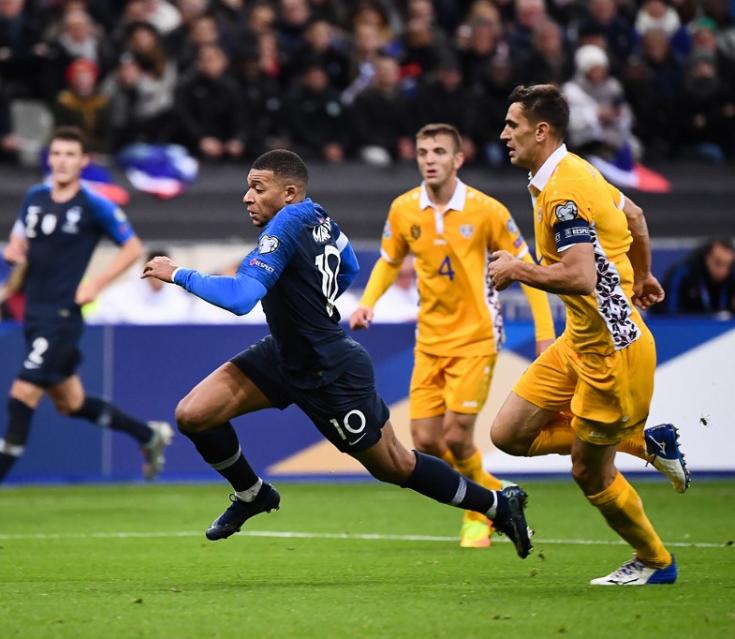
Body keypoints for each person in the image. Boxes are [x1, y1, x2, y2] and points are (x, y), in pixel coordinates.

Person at [141, 149, 534, 558]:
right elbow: (346, 265)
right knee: (194, 414)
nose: (247, 197)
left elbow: (242, 297)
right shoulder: (317, 214)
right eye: (248, 188)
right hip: (285, 353)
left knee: (394, 465)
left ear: (289, 192)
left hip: (330, 369)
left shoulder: (286, 224)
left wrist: (179, 274)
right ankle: (252, 494)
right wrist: (312, 306)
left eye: (258, 188)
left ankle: (497, 504)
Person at [489, 84, 691, 585]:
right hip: (579, 340)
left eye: (512, 125)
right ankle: (644, 443)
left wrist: (519, 268)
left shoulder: (565, 190)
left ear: (541, 131)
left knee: (588, 471)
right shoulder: (570, 172)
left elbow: (578, 275)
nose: (503, 134)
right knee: (508, 435)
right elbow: (635, 216)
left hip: (611, 356)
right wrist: (642, 275)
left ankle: (654, 561)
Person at [0, 127, 173, 516]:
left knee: (22, 394)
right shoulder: (34, 198)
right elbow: (18, 242)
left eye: (70, 154)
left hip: (63, 317)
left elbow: (132, 247)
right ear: (50, 159)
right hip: (35, 315)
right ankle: (149, 435)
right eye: (57, 153)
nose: (62, 160)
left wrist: (95, 284)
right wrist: (14, 250)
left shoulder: (93, 205)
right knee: (71, 403)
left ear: (83, 162)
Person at [349, 123, 557, 549]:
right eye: (423, 151)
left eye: (439, 152)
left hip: (477, 336)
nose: (429, 159)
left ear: (457, 160)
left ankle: (479, 512)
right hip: (430, 339)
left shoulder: (487, 210)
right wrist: (368, 301)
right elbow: (390, 261)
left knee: (458, 436)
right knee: (424, 440)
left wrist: (544, 332)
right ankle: (499, 495)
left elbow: (528, 270)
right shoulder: (404, 208)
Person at [653, 238, 735, 314]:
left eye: (728, 265)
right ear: (706, 257)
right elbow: (669, 311)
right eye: (718, 263)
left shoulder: (731, 277)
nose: (723, 271)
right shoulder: (683, 273)